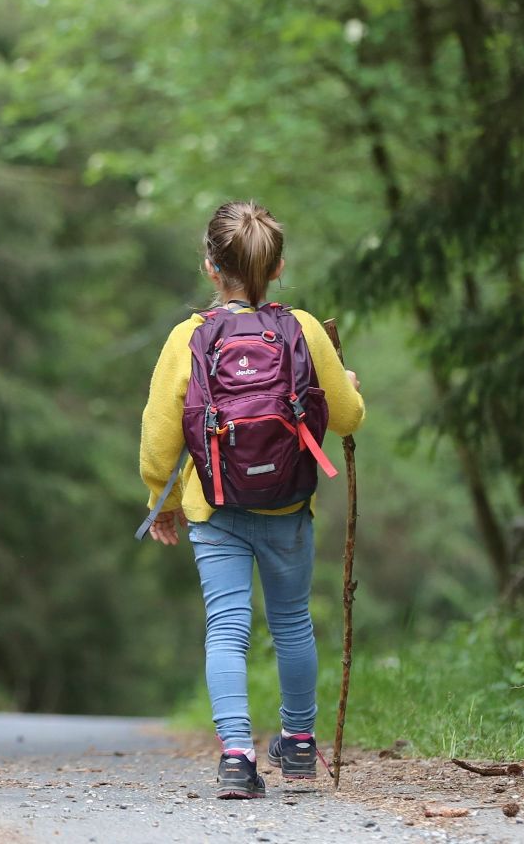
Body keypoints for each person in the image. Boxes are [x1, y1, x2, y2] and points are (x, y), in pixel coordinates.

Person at [138, 201, 364, 799]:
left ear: (211, 268)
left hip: (215, 508)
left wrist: (160, 503)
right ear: (279, 267)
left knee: (226, 629)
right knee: (291, 625)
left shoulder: (189, 337)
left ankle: (237, 756)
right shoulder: (304, 329)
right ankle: (298, 745)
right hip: (288, 507)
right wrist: (348, 385)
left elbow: (159, 437)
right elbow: (345, 416)